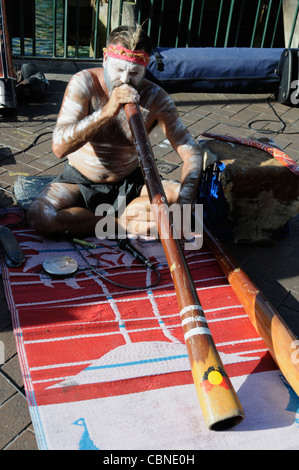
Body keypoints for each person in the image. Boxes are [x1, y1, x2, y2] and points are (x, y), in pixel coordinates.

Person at [26, 24, 203, 240]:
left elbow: (191, 153)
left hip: (130, 182)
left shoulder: (156, 97)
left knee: (179, 197)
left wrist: (183, 208)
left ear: (145, 69)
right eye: (118, 69)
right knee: (40, 216)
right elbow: (59, 148)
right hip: (80, 180)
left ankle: (103, 221)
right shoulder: (84, 82)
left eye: (135, 72)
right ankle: (123, 224)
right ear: (105, 59)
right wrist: (107, 112)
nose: (125, 79)